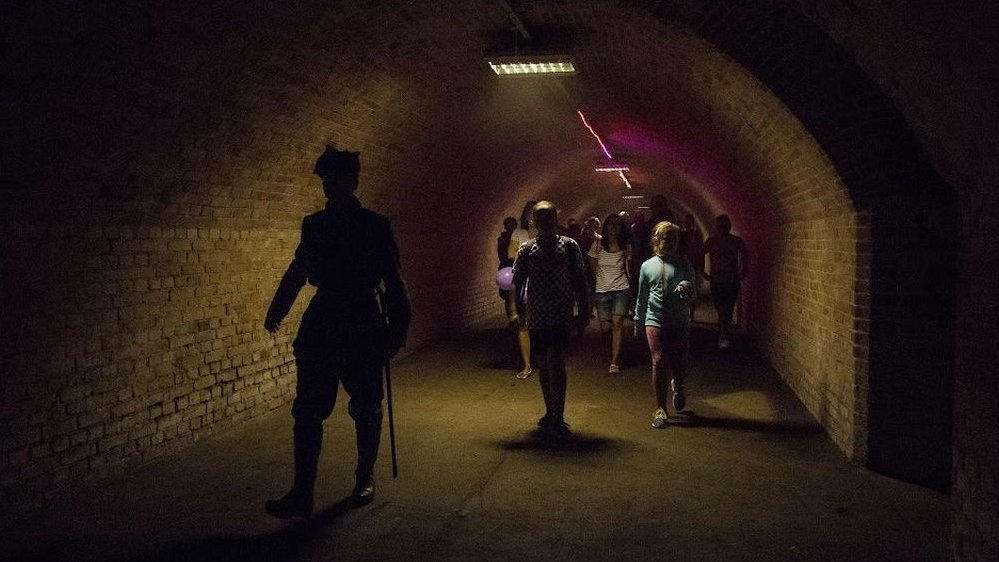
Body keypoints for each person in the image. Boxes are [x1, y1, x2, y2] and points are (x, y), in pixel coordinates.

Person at [263, 146, 411, 518]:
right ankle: (302, 490)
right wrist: (277, 309)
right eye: (327, 180)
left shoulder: (375, 225)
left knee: (366, 407)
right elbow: (299, 270)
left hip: (360, 320)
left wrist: (397, 331)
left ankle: (364, 477)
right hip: (325, 320)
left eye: (337, 179)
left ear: (352, 181)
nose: (330, 186)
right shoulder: (314, 225)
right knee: (308, 410)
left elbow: (394, 281)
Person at [508, 201, 590, 438]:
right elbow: (516, 282)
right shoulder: (527, 250)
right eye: (540, 217)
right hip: (536, 316)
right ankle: (550, 411)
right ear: (533, 221)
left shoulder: (569, 246)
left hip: (560, 315)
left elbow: (580, 280)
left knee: (556, 361)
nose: (544, 221)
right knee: (544, 364)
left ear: (556, 220)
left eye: (549, 216)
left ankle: (558, 416)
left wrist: (584, 309)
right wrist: (513, 311)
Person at [634, 221, 695, 429]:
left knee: (679, 362)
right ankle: (660, 408)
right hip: (655, 320)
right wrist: (638, 320)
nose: (671, 242)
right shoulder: (647, 266)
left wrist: (685, 286)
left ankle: (678, 386)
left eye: (674, 238)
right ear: (657, 240)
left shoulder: (684, 264)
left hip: (679, 320)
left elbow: (693, 292)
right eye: (667, 238)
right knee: (659, 361)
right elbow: (642, 296)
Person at [589, 213, 631, 374]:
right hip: (603, 291)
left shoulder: (626, 247)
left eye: (617, 224)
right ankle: (610, 352)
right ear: (605, 227)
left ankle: (614, 361)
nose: (614, 227)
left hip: (621, 289)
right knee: (605, 328)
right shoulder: (597, 245)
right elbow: (592, 267)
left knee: (617, 324)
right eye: (611, 224)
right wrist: (601, 281)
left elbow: (630, 268)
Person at [702, 214, 748, 349]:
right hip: (718, 280)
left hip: (731, 280)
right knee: (721, 308)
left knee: (727, 308)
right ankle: (723, 333)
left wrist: (743, 270)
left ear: (729, 226)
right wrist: (702, 270)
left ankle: (723, 334)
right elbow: (700, 253)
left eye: (724, 225)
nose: (722, 228)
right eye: (720, 226)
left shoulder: (735, 240)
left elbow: (745, 254)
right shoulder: (712, 241)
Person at [507, 202, 537, 379]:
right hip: (524, 281)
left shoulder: (548, 234)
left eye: (536, 212)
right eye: (530, 213)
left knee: (542, 323)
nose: (532, 216)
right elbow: (510, 253)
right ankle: (527, 365)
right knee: (524, 323)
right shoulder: (519, 233)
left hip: (543, 282)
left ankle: (542, 359)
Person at [678, 213, 704, 320]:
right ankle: (685, 312)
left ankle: (691, 313)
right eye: (686, 222)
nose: (687, 224)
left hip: (692, 265)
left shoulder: (696, 235)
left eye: (688, 222)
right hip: (683, 266)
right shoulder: (681, 235)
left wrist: (701, 266)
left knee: (692, 290)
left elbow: (700, 251)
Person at [497, 216, 518, 300]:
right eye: (509, 225)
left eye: (512, 225)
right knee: (507, 296)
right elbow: (502, 255)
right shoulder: (502, 239)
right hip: (508, 269)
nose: (511, 228)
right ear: (505, 227)